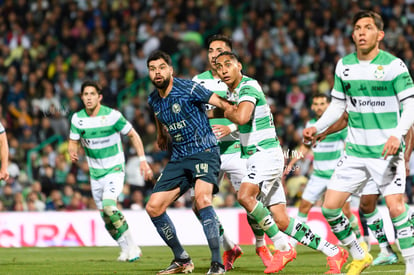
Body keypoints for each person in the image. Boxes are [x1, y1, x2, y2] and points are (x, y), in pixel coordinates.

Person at [215, 51, 349, 274]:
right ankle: (334, 252)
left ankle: (282, 246)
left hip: (264, 155)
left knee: (245, 196)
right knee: (282, 219)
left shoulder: (248, 87)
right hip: (258, 156)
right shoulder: (237, 92)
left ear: (239, 65)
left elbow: (241, 117)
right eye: (219, 67)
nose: (223, 70)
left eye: (228, 64)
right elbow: (241, 118)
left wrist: (218, 106)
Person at [303, 10, 414, 275]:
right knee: (330, 208)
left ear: (380, 34)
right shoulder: (344, 65)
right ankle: (359, 253)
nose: (361, 32)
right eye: (357, 28)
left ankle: (411, 267)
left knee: (397, 206)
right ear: (352, 35)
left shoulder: (393, 65)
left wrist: (396, 135)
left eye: (367, 27)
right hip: (354, 153)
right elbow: (338, 105)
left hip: (385, 152)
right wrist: (317, 127)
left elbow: (410, 105)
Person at [145, 50, 233, 275]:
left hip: (204, 150)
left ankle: (217, 263)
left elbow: (220, 102)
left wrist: (238, 117)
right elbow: (157, 112)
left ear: (171, 70)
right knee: (153, 207)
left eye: (162, 67)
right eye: (153, 68)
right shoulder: (153, 98)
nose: (157, 72)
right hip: (179, 157)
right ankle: (182, 259)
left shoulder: (190, 88)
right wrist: (161, 134)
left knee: (202, 200)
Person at [192, 34, 272, 270]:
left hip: (237, 150)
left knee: (250, 201)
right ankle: (229, 247)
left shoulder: (241, 82)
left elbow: (248, 115)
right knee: (199, 205)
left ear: (230, 56)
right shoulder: (198, 81)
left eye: (219, 50)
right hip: (209, 153)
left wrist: (230, 126)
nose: (213, 54)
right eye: (210, 50)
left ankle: (261, 244)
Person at [68, 80, 153, 262]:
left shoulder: (113, 116)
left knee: (109, 206)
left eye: (92, 94)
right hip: (95, 174)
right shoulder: (78, 119)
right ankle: (124, 249)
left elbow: (133, 135)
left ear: (99, 97)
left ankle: (134, 246)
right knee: (105, 218)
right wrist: (72, 150)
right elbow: (73, 140)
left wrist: (143, 161)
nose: (89, 98)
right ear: (81, 97)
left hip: (114, 169)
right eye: (85, 94)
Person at [316, 112, 414, 266]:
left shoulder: (389, 93)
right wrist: (324, 132)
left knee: (395, 206)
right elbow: (345, 118)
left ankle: (410, 230)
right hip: (362, 157)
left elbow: (409, 128)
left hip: (387, 157)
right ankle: (386, 251)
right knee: (366, 205)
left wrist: (407, 158)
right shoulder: (356, 93)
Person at [284, 94, 365, 249]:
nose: (319, 106)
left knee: (346, 212)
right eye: (316, 103)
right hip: (318, 175)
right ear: (312, 107)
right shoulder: (311, 124)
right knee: (304, 207)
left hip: (336, 175)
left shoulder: (336, 123)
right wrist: (291, 163)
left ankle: (360, 240)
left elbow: (348, 143)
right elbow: (305, 146)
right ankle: (292, 243)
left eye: (322, 103)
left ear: (328, 106)